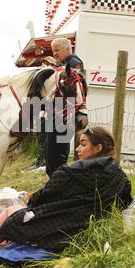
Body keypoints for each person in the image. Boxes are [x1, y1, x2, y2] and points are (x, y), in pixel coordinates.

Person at [0, 126, 132, 267]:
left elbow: (39, 200)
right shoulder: (120, 177)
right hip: (85, 232)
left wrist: (28, 200)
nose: (77, 149)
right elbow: (125, 203)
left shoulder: (70, 172)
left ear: (98, 148)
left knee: (13, 211)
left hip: (57, 230)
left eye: (83, 144)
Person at [44, 38, 88, 176]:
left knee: (57, 153)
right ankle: (54, 179)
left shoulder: (74, 64)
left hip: (66, 114)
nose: (54, 54)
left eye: (57, 50)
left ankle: (59, 180)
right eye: (53, 51)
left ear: (68, 49)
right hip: (58, 113)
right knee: (51, 151)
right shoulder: (63, 65)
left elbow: (75, 89)